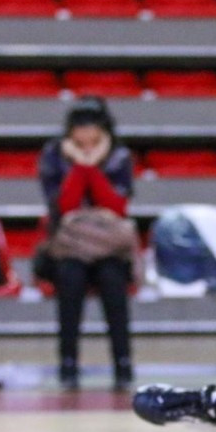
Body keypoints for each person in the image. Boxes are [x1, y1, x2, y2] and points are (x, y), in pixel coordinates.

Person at [37, 97, 138, 391]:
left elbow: (117, 205)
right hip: (69, 245)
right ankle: (68, 364)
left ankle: (123, 363)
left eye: (92, 127)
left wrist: (90, 167)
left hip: (109, 246)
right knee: (70, 278)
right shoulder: (53, 155)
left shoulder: (119, 157)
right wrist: (81, 166)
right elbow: (63, 204)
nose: (85, 135)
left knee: (112, 279)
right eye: (79, 128)